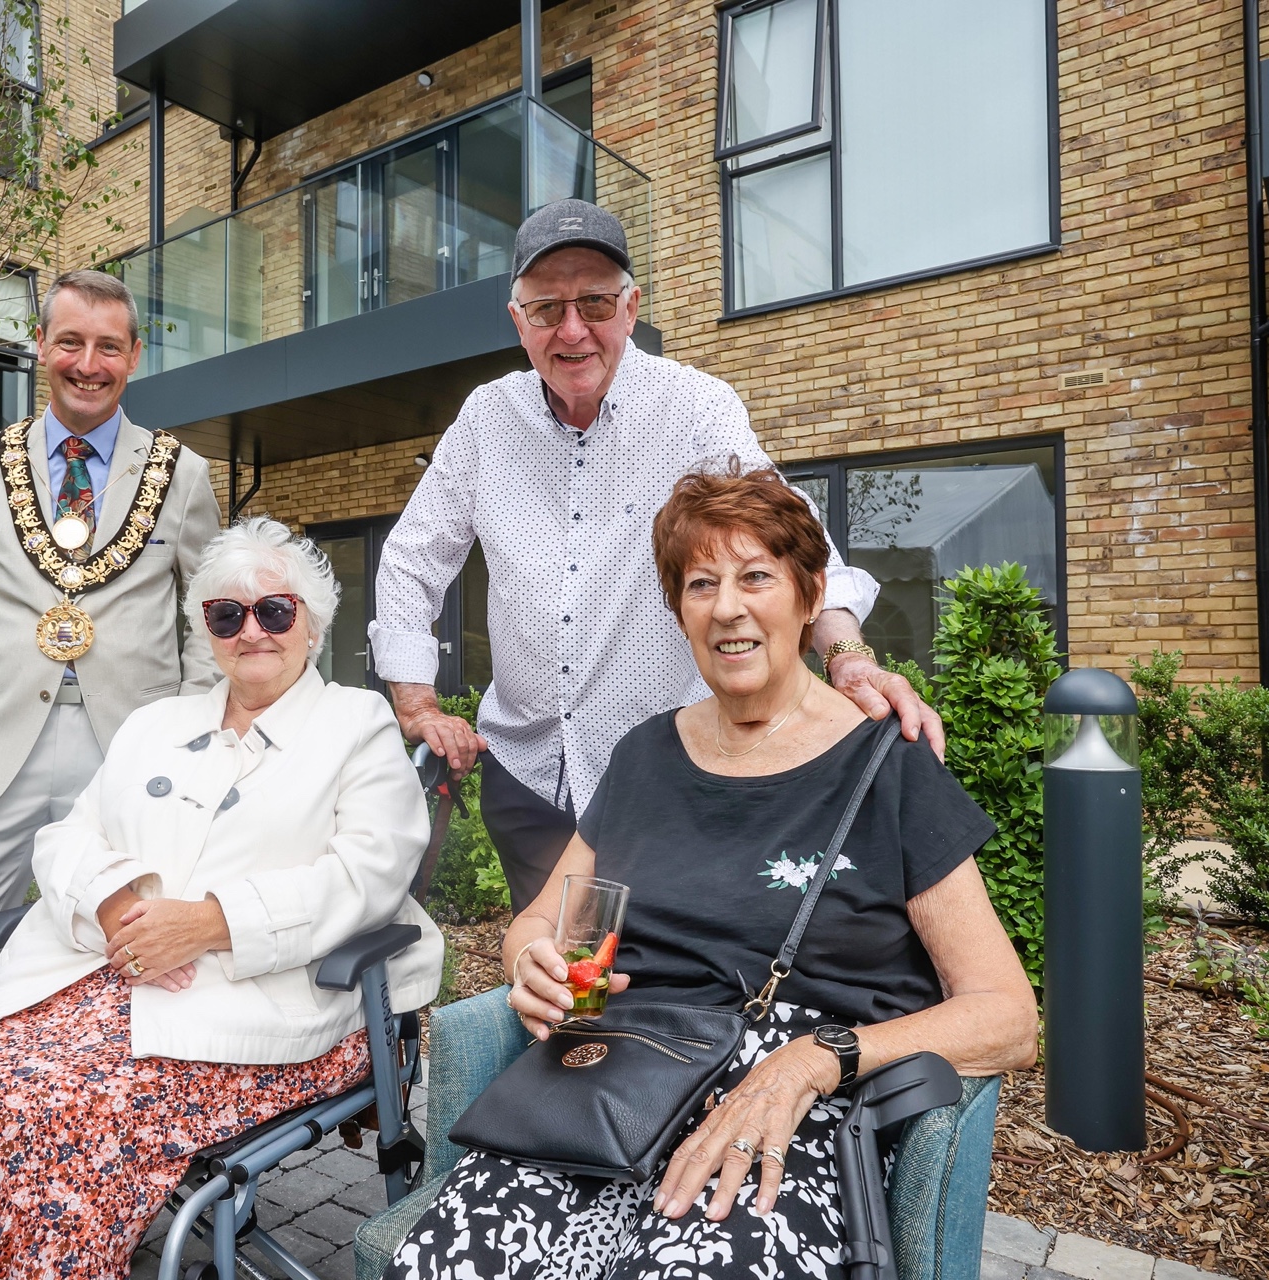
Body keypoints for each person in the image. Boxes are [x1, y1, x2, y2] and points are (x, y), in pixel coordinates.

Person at [386, 466, 1036, 1280]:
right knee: (451, 1262)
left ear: (809, 596)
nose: (728, 606)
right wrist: (532, 966)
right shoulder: (645, 757)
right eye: (701, 584)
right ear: (681, 613)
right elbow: (540, 924)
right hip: (614, 1087)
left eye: (756, 576)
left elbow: (1007, 1016)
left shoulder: (888, 764)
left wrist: (813, 1058)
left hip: (789, 1114)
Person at [0, 518, 445, 1277]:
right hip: (101, 980)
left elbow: (370, 873)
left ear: (311, 623)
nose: (251, 631)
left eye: (274, 611)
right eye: (227, 615)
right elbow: (65, 839)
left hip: (260, 999)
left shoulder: (356, 724)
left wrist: (213, 923)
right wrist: (115, 904)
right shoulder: (158, 722)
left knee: (57, 1118)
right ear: (207, 631)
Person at [371, 198, 942, 915]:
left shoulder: (696, 407)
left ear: (631, 307)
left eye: (596, 303)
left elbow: (788, 540)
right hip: (526, 775)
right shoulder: (486, 418)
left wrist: (849, 656)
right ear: (520, 323)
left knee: (657, 976)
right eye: (547, 310)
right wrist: (418, 703)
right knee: (555, 985)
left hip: (669, 772)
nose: (573, 330)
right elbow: (411, 560)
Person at [0, 269, 225, 1107]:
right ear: (41, 347)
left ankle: (128, 1183)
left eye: (108, 346)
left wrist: (184, 735)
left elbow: (207, 621)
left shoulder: (186, 474)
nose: (87, 363)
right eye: (70, 341)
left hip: (131, 756)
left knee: (146, 970)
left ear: (134, 356)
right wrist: (11, 678)